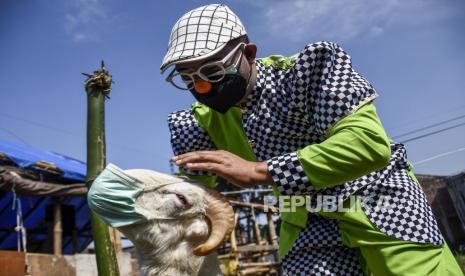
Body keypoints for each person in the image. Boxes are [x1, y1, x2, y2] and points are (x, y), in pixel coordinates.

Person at [161, 4, 463, 275]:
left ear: (249, 54)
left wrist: (260, 171)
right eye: (188, 78)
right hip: (308, 218)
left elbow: (368, 144)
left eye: (212, 70)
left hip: (378, 200)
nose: (202, 86)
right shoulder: (200, 122)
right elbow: (191, 196)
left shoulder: (305, 74)